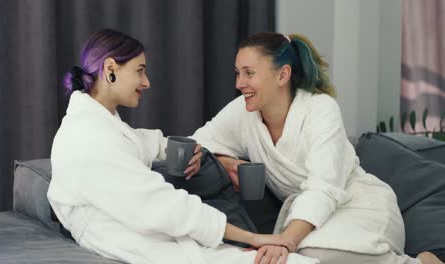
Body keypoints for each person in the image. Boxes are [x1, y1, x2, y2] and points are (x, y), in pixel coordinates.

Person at [47, 29, 308, 264]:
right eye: (140, 71)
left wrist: (190, 149)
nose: (146, 82)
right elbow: (162, 206)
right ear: (111, 68)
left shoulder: (103, 127)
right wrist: (253, 238)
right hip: (133, 239)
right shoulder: (90, 139)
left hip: (148, 231)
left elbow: (146, 143)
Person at [191, 32, 444, 264]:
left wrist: (286, 241)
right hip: (310, 219)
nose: (239, 83)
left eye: (249, 73)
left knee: (313, 254)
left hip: (356, 205)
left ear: (282, 75)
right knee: (304, 257)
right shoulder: (243, 113)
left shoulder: (321, 109)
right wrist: (228, 163)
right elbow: (200, 141)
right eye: (237, 73)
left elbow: (323, 187)